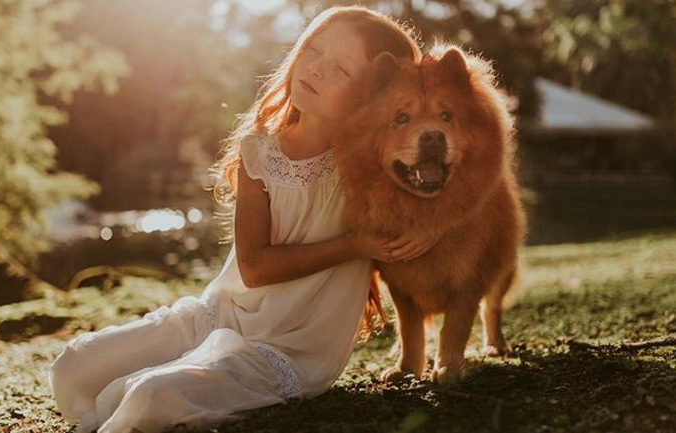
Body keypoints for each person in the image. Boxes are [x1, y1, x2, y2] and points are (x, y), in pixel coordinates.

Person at [49, 6, 434, 433]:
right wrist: (354, 245)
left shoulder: (372, 167)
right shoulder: (259, 152)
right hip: (222, 314)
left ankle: (141, 398)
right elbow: (254, 269)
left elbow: (444, 193)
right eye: (314, 49)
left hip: (291, 347)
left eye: (341, 69)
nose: (317, 69)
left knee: (150, 396)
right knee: (76, 367)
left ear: (373, 96)